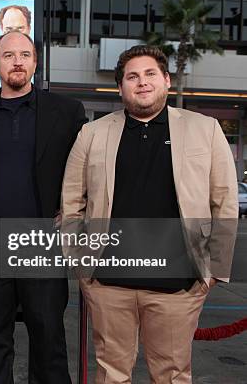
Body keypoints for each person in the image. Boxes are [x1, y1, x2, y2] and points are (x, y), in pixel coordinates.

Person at [61, 45, 238, 383]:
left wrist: (215, 270)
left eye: (149, 74)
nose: (141, 82)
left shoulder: (206, 129)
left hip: (179, 284)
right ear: (121, 87)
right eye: (132, 77)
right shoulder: (93, 133)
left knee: (171, 375)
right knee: (111, 374)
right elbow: (72, 202)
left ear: (166, 80)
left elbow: (225, 202)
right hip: (108, 282)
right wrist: (80, 263)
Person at [0, 31, 87, 383]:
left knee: (48, 340)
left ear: (35, 62)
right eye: (9, 54)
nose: (17, 61)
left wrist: (74, 208)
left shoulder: (67, 111)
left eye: (25, 54)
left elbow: (89, 166)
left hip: (40, 240)